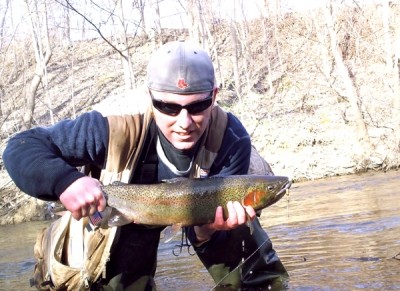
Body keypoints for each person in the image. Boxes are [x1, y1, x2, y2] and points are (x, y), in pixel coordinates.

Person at [3, 40, 288, 290]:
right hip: (114, 218)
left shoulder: (230, 136)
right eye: (169, 107)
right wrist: (66, 182)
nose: (184, 122)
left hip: (194, 212)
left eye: (198, 106)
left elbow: (202, 227)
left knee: (242, 227)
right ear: (151, 98)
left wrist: (208, 230)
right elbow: (21, 148)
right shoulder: (109, 127)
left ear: (214, 96)